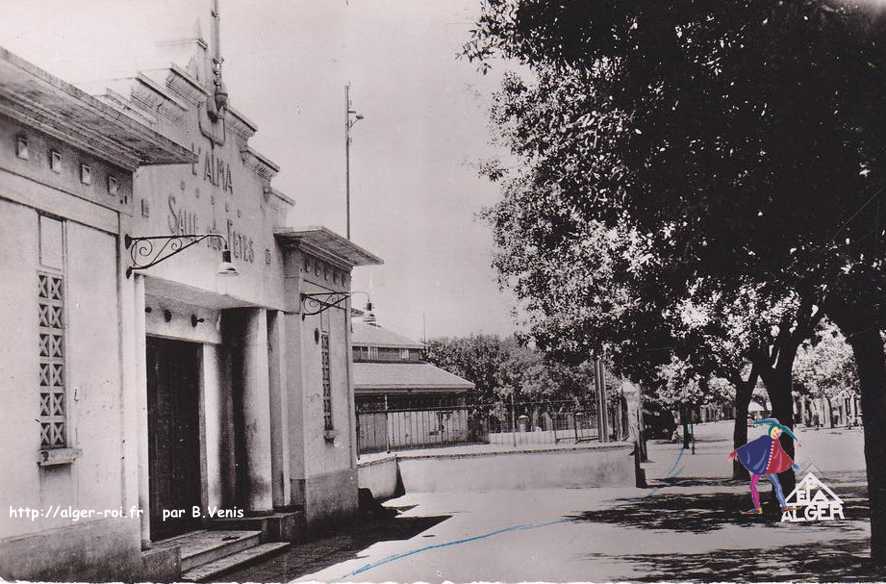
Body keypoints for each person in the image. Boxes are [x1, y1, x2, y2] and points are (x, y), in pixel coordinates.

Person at [728, 418, 800, 515]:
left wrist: (792, 463)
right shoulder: (765, 439)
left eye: (779, 433)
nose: (777, 434)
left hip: (769, 469)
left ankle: (784, 506)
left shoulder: (777, 443)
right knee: (753, 486)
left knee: (778, 486)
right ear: (771, 430)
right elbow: (751, 445)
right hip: (760, 466)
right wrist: (736, 452)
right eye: (775, 431)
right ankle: (758, 508)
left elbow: (782, 454)